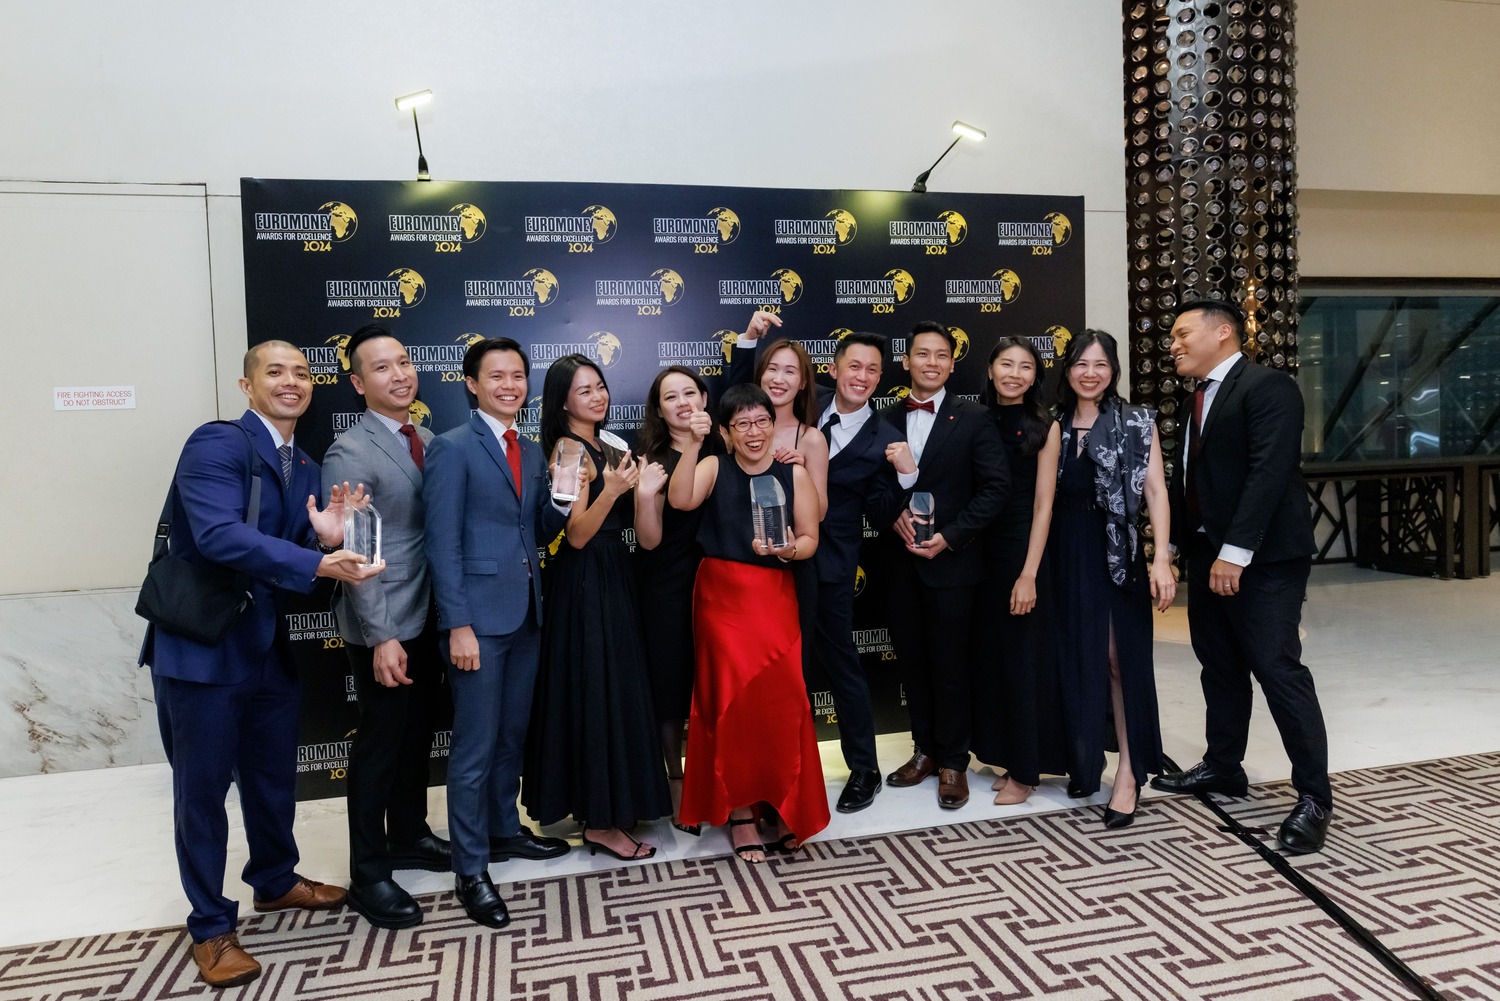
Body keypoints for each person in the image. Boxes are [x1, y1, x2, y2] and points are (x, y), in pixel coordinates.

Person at [140, 341, 381, 988]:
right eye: (275, 371)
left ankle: (275, 880)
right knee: (202, 795)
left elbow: (287, 551)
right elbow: (218, 535)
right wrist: (314, 559)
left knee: (273, 778)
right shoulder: (216, 444)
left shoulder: (302, 463)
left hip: (264, 647)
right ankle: (212, 927)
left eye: (302, 371)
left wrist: (324, 536)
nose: (292, 381)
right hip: (200, 652)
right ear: (247, 385)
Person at [1152, 299, 1333, 854]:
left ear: (1223, 332)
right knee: (1220, 666)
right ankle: (1224, 766)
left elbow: (1268, 473)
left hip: (1264, 558)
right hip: (1210, 557)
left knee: (1277, 668)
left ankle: (1314, 799)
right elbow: (1194, 480)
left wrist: (1235, 553)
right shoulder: (1195, 400)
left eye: (1183, 333)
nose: (1173, 344)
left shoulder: (1268, 388)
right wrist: (1181, 548)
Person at [731, 317, 911, 813]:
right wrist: (749, 340)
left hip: (828, 563)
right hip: (761, 566)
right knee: (777, 672)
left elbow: (860, 505)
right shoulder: (758, 419)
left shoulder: (861, 436)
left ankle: (865, 769)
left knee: (841, 666)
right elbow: (740, 386)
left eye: (873, 370)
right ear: (832, 371)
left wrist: (905, 474)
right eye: (853, 365)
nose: (862, 375)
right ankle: (776, 774)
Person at [423, 337, 570, 930]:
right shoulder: (453, 448)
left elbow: (533, 527)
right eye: (497, 376)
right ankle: (471, 867)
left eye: (518, 376)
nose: (510, 385)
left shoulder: (532, 450)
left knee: (511, 736)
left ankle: (505, 832)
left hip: (525, 614)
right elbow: (442, 543)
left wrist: (561, 495)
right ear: (471, 383)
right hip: (476, 623)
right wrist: (457, 623)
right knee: (475, 748)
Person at [320, 325, 450, 930]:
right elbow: (353, 553)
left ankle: (411, 836)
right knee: (378, 747)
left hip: (427, 614)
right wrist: (382, 636)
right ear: (357, 382)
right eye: (381, 368)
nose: (399, 374)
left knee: (417, 736)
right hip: (385, 620)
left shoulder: (424, 437)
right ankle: (369, 873)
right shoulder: (350, 450)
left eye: (404, 361)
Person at [668, 383, 829, 862]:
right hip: (722, 596)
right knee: (731, 702)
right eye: (742, 424)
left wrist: (788, 551)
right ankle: (740, 813)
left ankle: (782, 803)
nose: (754, 432)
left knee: (784, 701)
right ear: (726, 431)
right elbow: (679, 501)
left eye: (762, 421)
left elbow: (810, 539)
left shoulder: (793, 471)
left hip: (776, 594)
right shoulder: (714, 466)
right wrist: (694, 445)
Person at [522, 354, 672, 860]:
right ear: (562, 399)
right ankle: (600, 823)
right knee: (596, 689)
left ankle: (611, 807)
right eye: (584, 390)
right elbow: (578, 534)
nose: (597, 396)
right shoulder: (568, 450)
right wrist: (611, 490)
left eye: (600, 386)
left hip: (614, 572)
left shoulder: (606, 442)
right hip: (585, 576)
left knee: (613, 688)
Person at [880, 321, 1009, 811]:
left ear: (952, 364)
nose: (931, 363)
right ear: (907, 361)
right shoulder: (886, 415)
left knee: (951, 666)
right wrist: (892, 516)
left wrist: (949, 538)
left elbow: (995, 488)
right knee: (913, 664)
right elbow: (873, 487)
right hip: (900, 566)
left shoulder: (973, 417)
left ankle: (954, 759)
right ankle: (925, 751)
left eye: (940, 356)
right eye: (922, 354)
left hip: (953, 566)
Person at [1050, 330, 1176, 829]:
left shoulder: (1136, 421)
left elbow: (1158, 492)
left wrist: (1161, 559)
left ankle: (1130, 770)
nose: (1090, 373)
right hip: (1064, 552)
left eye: (1101, 364)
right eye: (1081, 363)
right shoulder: (1054, 425)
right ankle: (1085, 762)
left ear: (1114, 370)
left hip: (1116, 553)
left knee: (1119, 659)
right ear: (1067, 369)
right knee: (1078, 658)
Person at [973, 337, 1068, 806]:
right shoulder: (973, 418)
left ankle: (1027, 771)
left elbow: (1044, 503)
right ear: (990, 370)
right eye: (1006, 364)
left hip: (1020, 553)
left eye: (1025, 366)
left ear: (1036, 376)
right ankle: (1005, 755)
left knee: (1024, 663)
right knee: (991, 662)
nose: (1014, 373)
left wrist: (1029, 572)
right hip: (978, 554)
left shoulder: (1043, 426)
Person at [633, 365, 725, 833]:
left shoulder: (725, 445)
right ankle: (675, 776)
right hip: (664, 581)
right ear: (659, 409)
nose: (683, 402)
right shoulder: (646, 456)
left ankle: (720, 779)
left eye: (691, 392)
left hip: (719, 579)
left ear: (705, 398)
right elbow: (648, 540)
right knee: (670, 684)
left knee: (714, 681)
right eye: (672, 397)